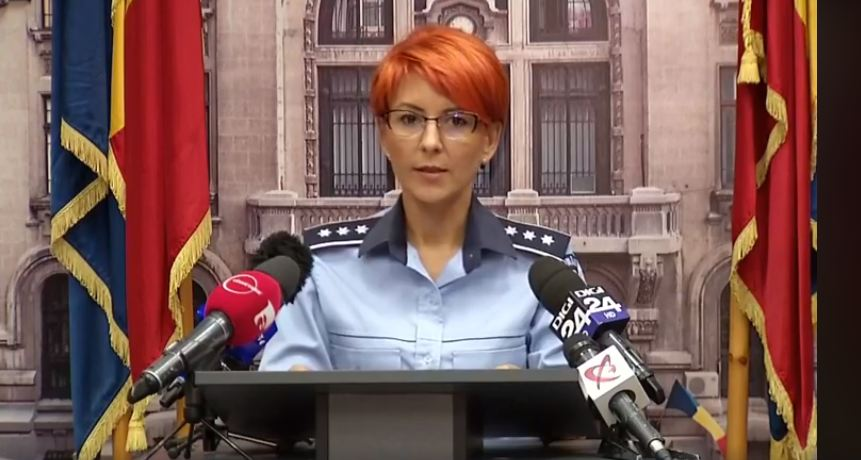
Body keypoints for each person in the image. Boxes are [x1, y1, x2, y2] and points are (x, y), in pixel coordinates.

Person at [258, 25, 585, 372]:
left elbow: (573, 401)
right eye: (409, 119)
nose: (430, 142)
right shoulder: (319, 268)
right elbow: (287, 398)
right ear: (384, 135)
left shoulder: (545, 272)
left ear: (489, 140)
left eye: (456, 120)